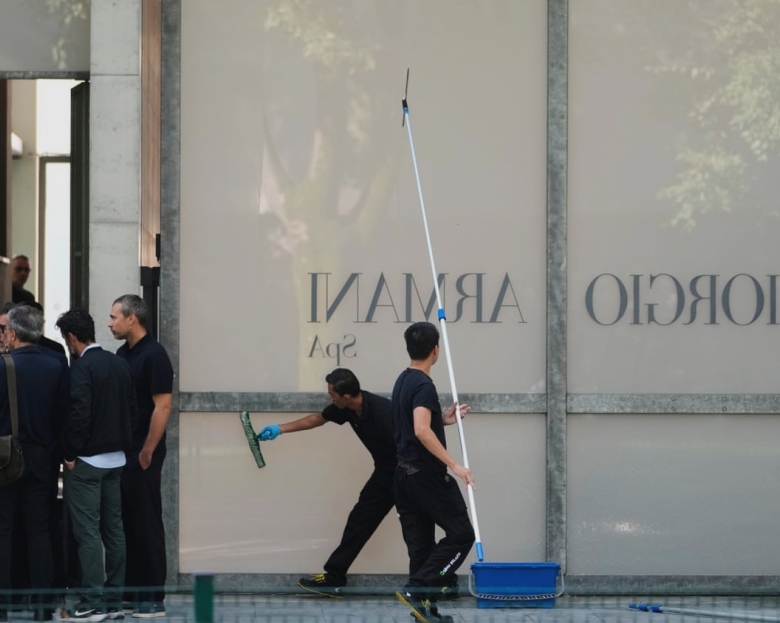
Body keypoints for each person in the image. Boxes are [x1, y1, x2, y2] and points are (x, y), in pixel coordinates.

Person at [257, 368, 397, 597]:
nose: (330, 398)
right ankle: (334, 578)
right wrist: (279, 429)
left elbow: (416, 431)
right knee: (359, 521)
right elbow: (318, 419)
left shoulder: (383, 412)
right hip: (385, 473)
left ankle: (438, 583)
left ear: (346, 396)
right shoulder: (347, 408)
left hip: (410, 473)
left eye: (332, 394)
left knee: (418, 529)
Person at [392, 322, 475, 623]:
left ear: (408, 349)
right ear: (436, 350)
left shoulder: (403, 380)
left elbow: (418, 425)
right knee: (462, 535)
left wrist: (443, 420)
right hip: (426, 476)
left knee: (422, 547)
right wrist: (454, 465)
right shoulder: (424, 386)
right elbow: (421, 430)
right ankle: (417, 588)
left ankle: (424, 611)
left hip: (403, 476)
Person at [57, 308, 136, 622]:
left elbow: (79, 414)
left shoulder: (82, 367)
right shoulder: (119, 363)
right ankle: (114, 600)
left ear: (71, 337)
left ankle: (92, 601)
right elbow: (133, 410)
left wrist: (69, 454)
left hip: (87, 463)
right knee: (114, 530)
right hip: (117, 460)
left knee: (88, 533)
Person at [0, 305, 69, 622]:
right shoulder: (55, 365)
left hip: (5, 459)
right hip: (43, 458)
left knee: (3, 529)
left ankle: (3, 603)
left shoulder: (3, 366)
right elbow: (64, 416)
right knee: (39, 530)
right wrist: (62, 453)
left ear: (13, 333)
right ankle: (42, 606)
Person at [109, 295, 173, 618]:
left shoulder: (155, 355)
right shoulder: (123, 354)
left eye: (114, 317)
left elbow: (163, 406)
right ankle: (132, 593)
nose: (110, 323)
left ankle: (153, 598)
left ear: (131, 318)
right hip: (124, 452)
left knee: (147, 523)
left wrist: (147, 451)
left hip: (143, 453)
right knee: (128, 524)